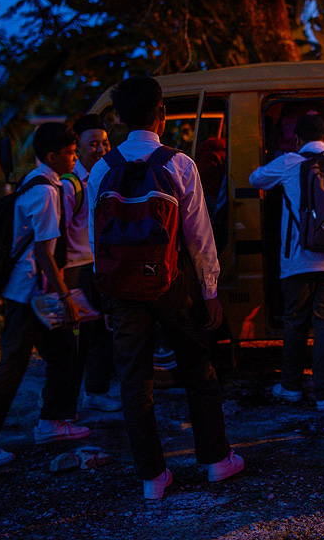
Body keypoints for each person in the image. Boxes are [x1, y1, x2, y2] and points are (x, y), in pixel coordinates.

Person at [87, 76, 243, 500]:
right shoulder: (178, 164)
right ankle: (215, 460)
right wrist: (210, 291)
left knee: (135, 381)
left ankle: (152, 477)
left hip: (121, 287)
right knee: (198, 369)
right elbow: (199, 237)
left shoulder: (100, 169)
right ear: (163, 114)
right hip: (174, 284)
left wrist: (106, 294)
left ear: (118, 118)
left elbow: (93, 240)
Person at [0, 123, 89, 467]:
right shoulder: (46, 192)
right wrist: (66, 298)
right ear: (52, 156)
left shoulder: (39, 180)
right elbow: (44, 254)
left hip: (33, 292)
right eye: (71, 153)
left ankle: (52, 423)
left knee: (63, 353)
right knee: (12, 366)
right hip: (28, 293)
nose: (75, 158)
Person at [249, 113, 324, 411]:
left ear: (296, 138)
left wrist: (285, 158)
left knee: (295, 321)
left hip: (296, 259)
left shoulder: (289, 162)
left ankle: (291, 386)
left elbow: (256, 179)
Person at [62, 114, 118, 413]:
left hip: (101, 264)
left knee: (104, 331)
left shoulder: (106, 175)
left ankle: (96, 391)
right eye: (93, 143)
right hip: (76, 270)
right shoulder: (71, 185)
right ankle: (64, 407)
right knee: (79, 339)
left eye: (105, 143)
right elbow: (58, 233)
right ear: (78, 147)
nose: (100, 149)